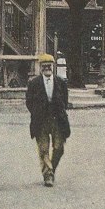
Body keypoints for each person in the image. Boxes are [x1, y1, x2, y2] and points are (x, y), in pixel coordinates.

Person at [26, 53, 71, 188]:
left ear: (53, 66)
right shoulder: (33, 83)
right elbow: (29, 102)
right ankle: (48, 175)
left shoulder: (61, 82)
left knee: (59, 148)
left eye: (49, 66)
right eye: (44, 66)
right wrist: (37, 113)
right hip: (41, 121)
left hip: (57, 120)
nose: (47, 68)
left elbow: (65, 101)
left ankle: (51, 168)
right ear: (40, 68)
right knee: (43, 149)